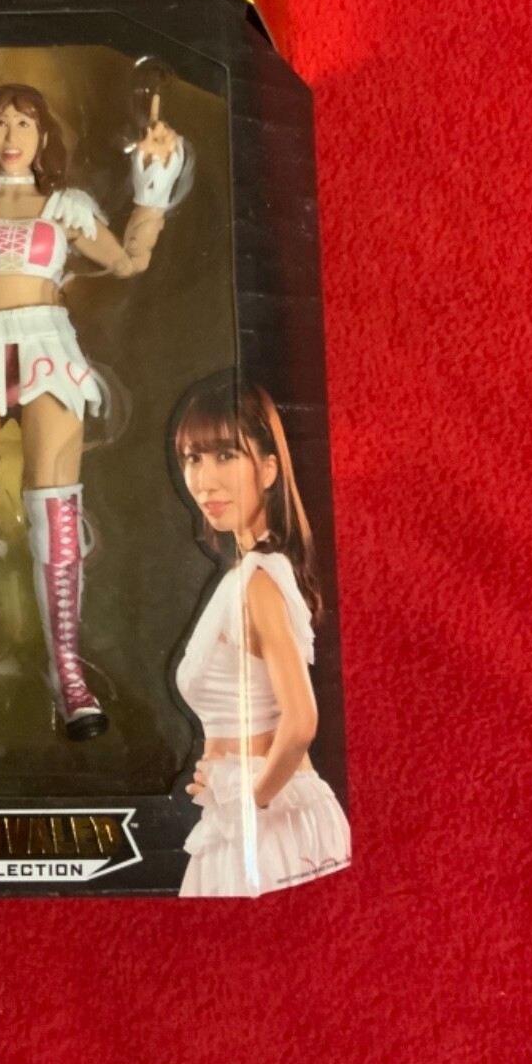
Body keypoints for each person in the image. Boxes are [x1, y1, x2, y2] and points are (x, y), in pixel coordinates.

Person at [0, 81, 187, 738]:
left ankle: (68, 671)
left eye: (24, 122)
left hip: (47, 345)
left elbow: (130, 261)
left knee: (56, 508)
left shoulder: (66, 205)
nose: (11, 135)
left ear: (43, 135)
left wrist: (153, 181)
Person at [171, 373, 350, 895]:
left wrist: (246, 803)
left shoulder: (259, 581)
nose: (205, 481)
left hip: (269, 823)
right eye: (193, 458)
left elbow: (301, 723)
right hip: (262, 816)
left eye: (226, 455)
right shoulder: (253, 573)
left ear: (268, 468)